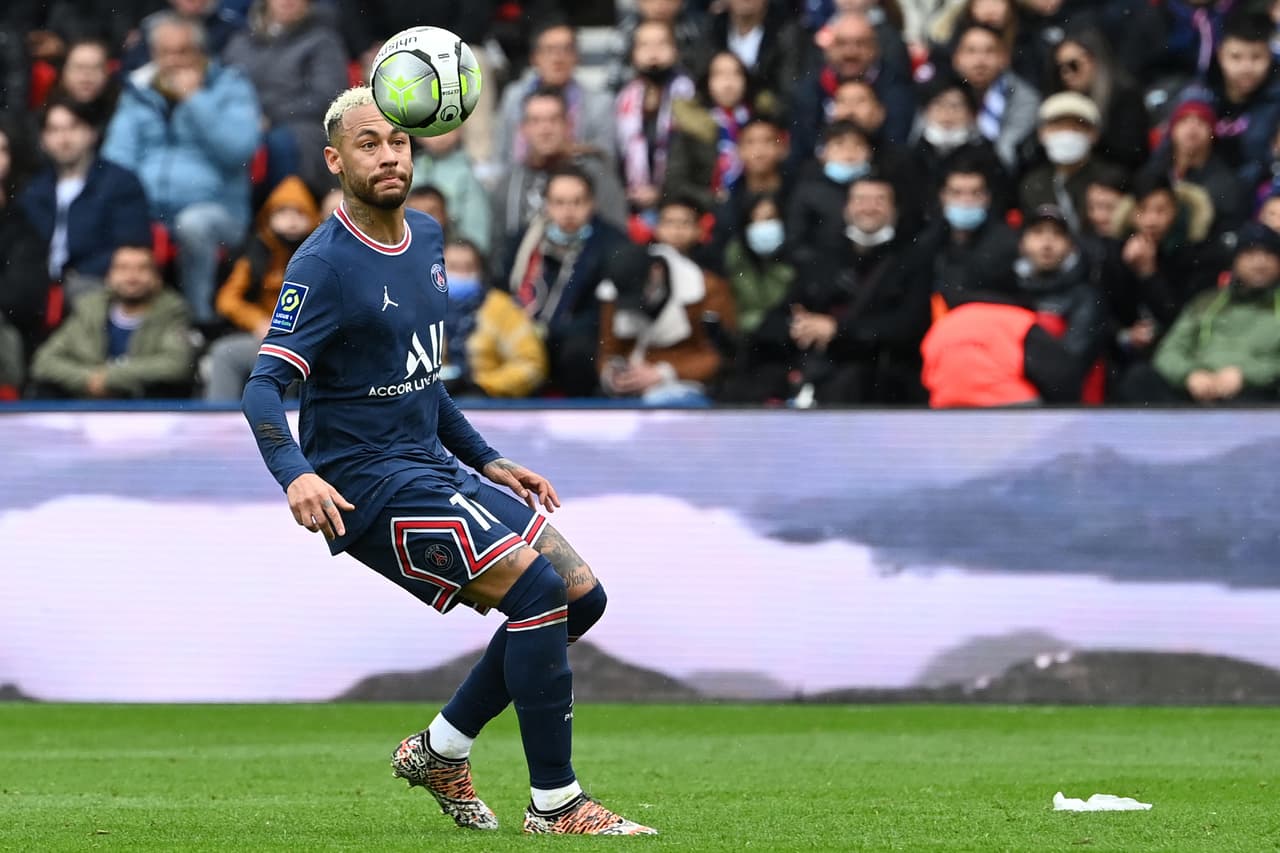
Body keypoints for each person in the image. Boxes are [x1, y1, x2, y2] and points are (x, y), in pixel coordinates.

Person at [241, 87, 656, 836]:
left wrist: (489, 458)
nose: (388, 154)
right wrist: (295, 471)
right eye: (368, 143)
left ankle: (441, 748)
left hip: (432, 462)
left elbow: (422, 380)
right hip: (366, 484)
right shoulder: (324, 265)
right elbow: (263, 387)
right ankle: (556, 803)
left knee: (580, 597)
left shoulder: (427, 235)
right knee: (535, 592)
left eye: (397, 141)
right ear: (336, 161)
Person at [102, 13, 262, 325]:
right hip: (149, 209)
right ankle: (120, 326)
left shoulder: (231, 87)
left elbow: (239, 150)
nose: (174, 61)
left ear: (201, 52)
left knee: (192, 224)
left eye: (183, 52)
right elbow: (116, 159)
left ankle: (197, 321)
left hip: (219, 211)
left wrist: (195, 100)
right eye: (165, 52)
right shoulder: (138, 92)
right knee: (105, 210)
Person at [1121, 221, 1280, 404]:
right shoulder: (1206, 302)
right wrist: (1190, 375)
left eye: (1269, 254)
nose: (1260, 263)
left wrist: (1245, 375)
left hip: (1255, 394)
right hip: (1198, 390)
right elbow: (1169, 351)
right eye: (1250, 254)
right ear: (1235, 261)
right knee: (1138, 378)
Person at [20, 98, 152, 304]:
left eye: (73, 127)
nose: (63, 138)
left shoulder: (120, 182)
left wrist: (78, 273)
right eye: (53, 130)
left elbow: (131, 244)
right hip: (38, 283)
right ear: (43, 140)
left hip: (95, 281)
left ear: (92, 133)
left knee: (84, 293)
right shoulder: (34, 189)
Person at [204, 175, 319, 401]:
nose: (291, 221)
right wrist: (258, 321)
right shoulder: (256, 255)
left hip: (310, 339)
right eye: (283, 213)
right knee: (225, 353)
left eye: (299, 213)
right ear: (269, 217)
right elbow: (227, 300)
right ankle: (218, 423)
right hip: (267, 338)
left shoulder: (321, 254)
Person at [29, 244, 195, 399]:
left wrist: (110, 378)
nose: (132, 276)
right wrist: (88, 379)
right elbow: (44, 361)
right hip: (87, 409)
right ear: (109, 277)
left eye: (142, 268)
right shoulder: (89, 309)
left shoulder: (171, 311)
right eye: (123, 268)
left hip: (145, 411)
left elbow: (176, 364)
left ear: (157, 279)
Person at [439, 238, 548, 398]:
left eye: (469, 267)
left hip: (486, 404)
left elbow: (532, 365)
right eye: (453, 267)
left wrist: (481, 385)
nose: (461, 274)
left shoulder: (502, 308)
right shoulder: (420, 306)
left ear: (481, 270)